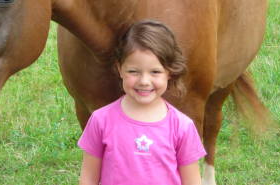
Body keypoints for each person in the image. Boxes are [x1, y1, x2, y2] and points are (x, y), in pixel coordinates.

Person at [78, 20, 206, 185]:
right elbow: (88, 178)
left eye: (155, 72)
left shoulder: (182, 127)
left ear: (169, 72)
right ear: (119, 69)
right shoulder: (100, 121)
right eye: (133, 71)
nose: (144, 81)